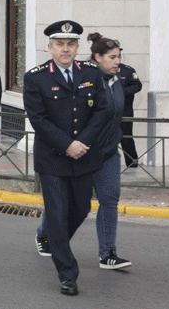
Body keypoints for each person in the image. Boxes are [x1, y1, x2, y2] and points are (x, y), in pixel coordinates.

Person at [24, 20, 108, 296]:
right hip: (52, 158)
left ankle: (53, 240)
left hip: (84, 155)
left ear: (77, 47)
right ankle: (67, 273)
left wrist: (81, 142)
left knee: (81, 209)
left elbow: (102, 111)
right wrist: (67, 144)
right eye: (59, 44)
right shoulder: (36, 77)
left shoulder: (92, 74)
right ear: (49, 47)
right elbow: (39, 119)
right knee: (58, 214)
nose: (65, 49)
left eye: (70, 44)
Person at [36, 32, 132, 274]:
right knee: (65, 202)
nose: (117, 61)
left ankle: (107, 253)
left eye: (119, 56)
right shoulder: (86, 79)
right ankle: (44, 234)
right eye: (112, 57)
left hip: (108, 152)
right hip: (85, 152)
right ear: (97, 58)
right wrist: (74, 145)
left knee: (109, 200)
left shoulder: (116, 79)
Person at [117, 60, 142, 167]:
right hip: (106, 111)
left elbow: (137, 85)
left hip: (124, 110)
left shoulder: (127, 70)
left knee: (126, 138)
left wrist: (122, 92)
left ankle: (132, 163)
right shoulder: (100, 69)